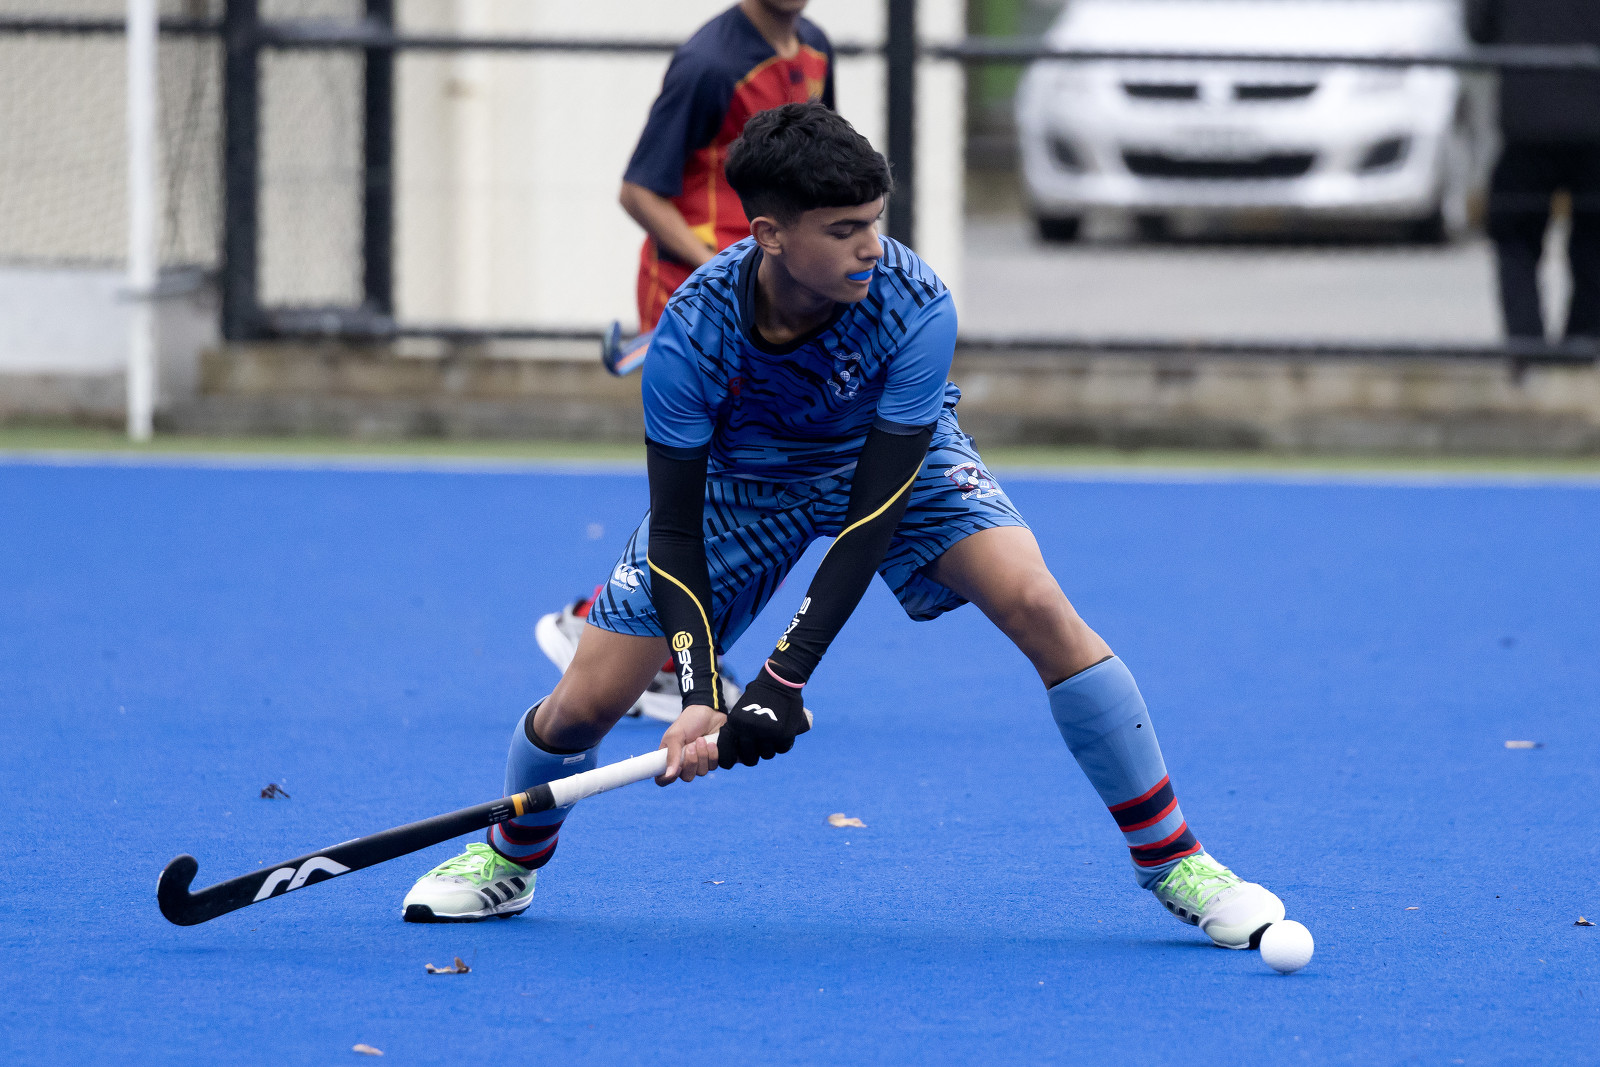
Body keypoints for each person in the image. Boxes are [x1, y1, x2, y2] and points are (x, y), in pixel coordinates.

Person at [403, 103, 1285, 952]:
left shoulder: (914, 302)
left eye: (875, 220)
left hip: (889, 462)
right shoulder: (692, 334)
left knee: (1036, 600)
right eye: (843, 229)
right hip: (742, 483)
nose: (871, 246)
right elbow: (674, 531)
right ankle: (510, 857)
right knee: (584, 703)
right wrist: (703, 690)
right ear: (770, 234)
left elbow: (872, 512)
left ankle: (1175, 860)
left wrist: (782, 677)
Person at [605, 0, 833, 375]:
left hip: (772, 284)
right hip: (694, 289)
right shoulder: (708, 64)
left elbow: (822, 165)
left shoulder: (817, 47)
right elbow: (637, 193)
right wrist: (717, 271)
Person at [1468, 0, 1600, 342]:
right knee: (1592, 242)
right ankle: (1581, 344)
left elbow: (1478, 28)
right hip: (1592, 115)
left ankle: (1527, 348)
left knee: (1515, 237)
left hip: (1527, 114)